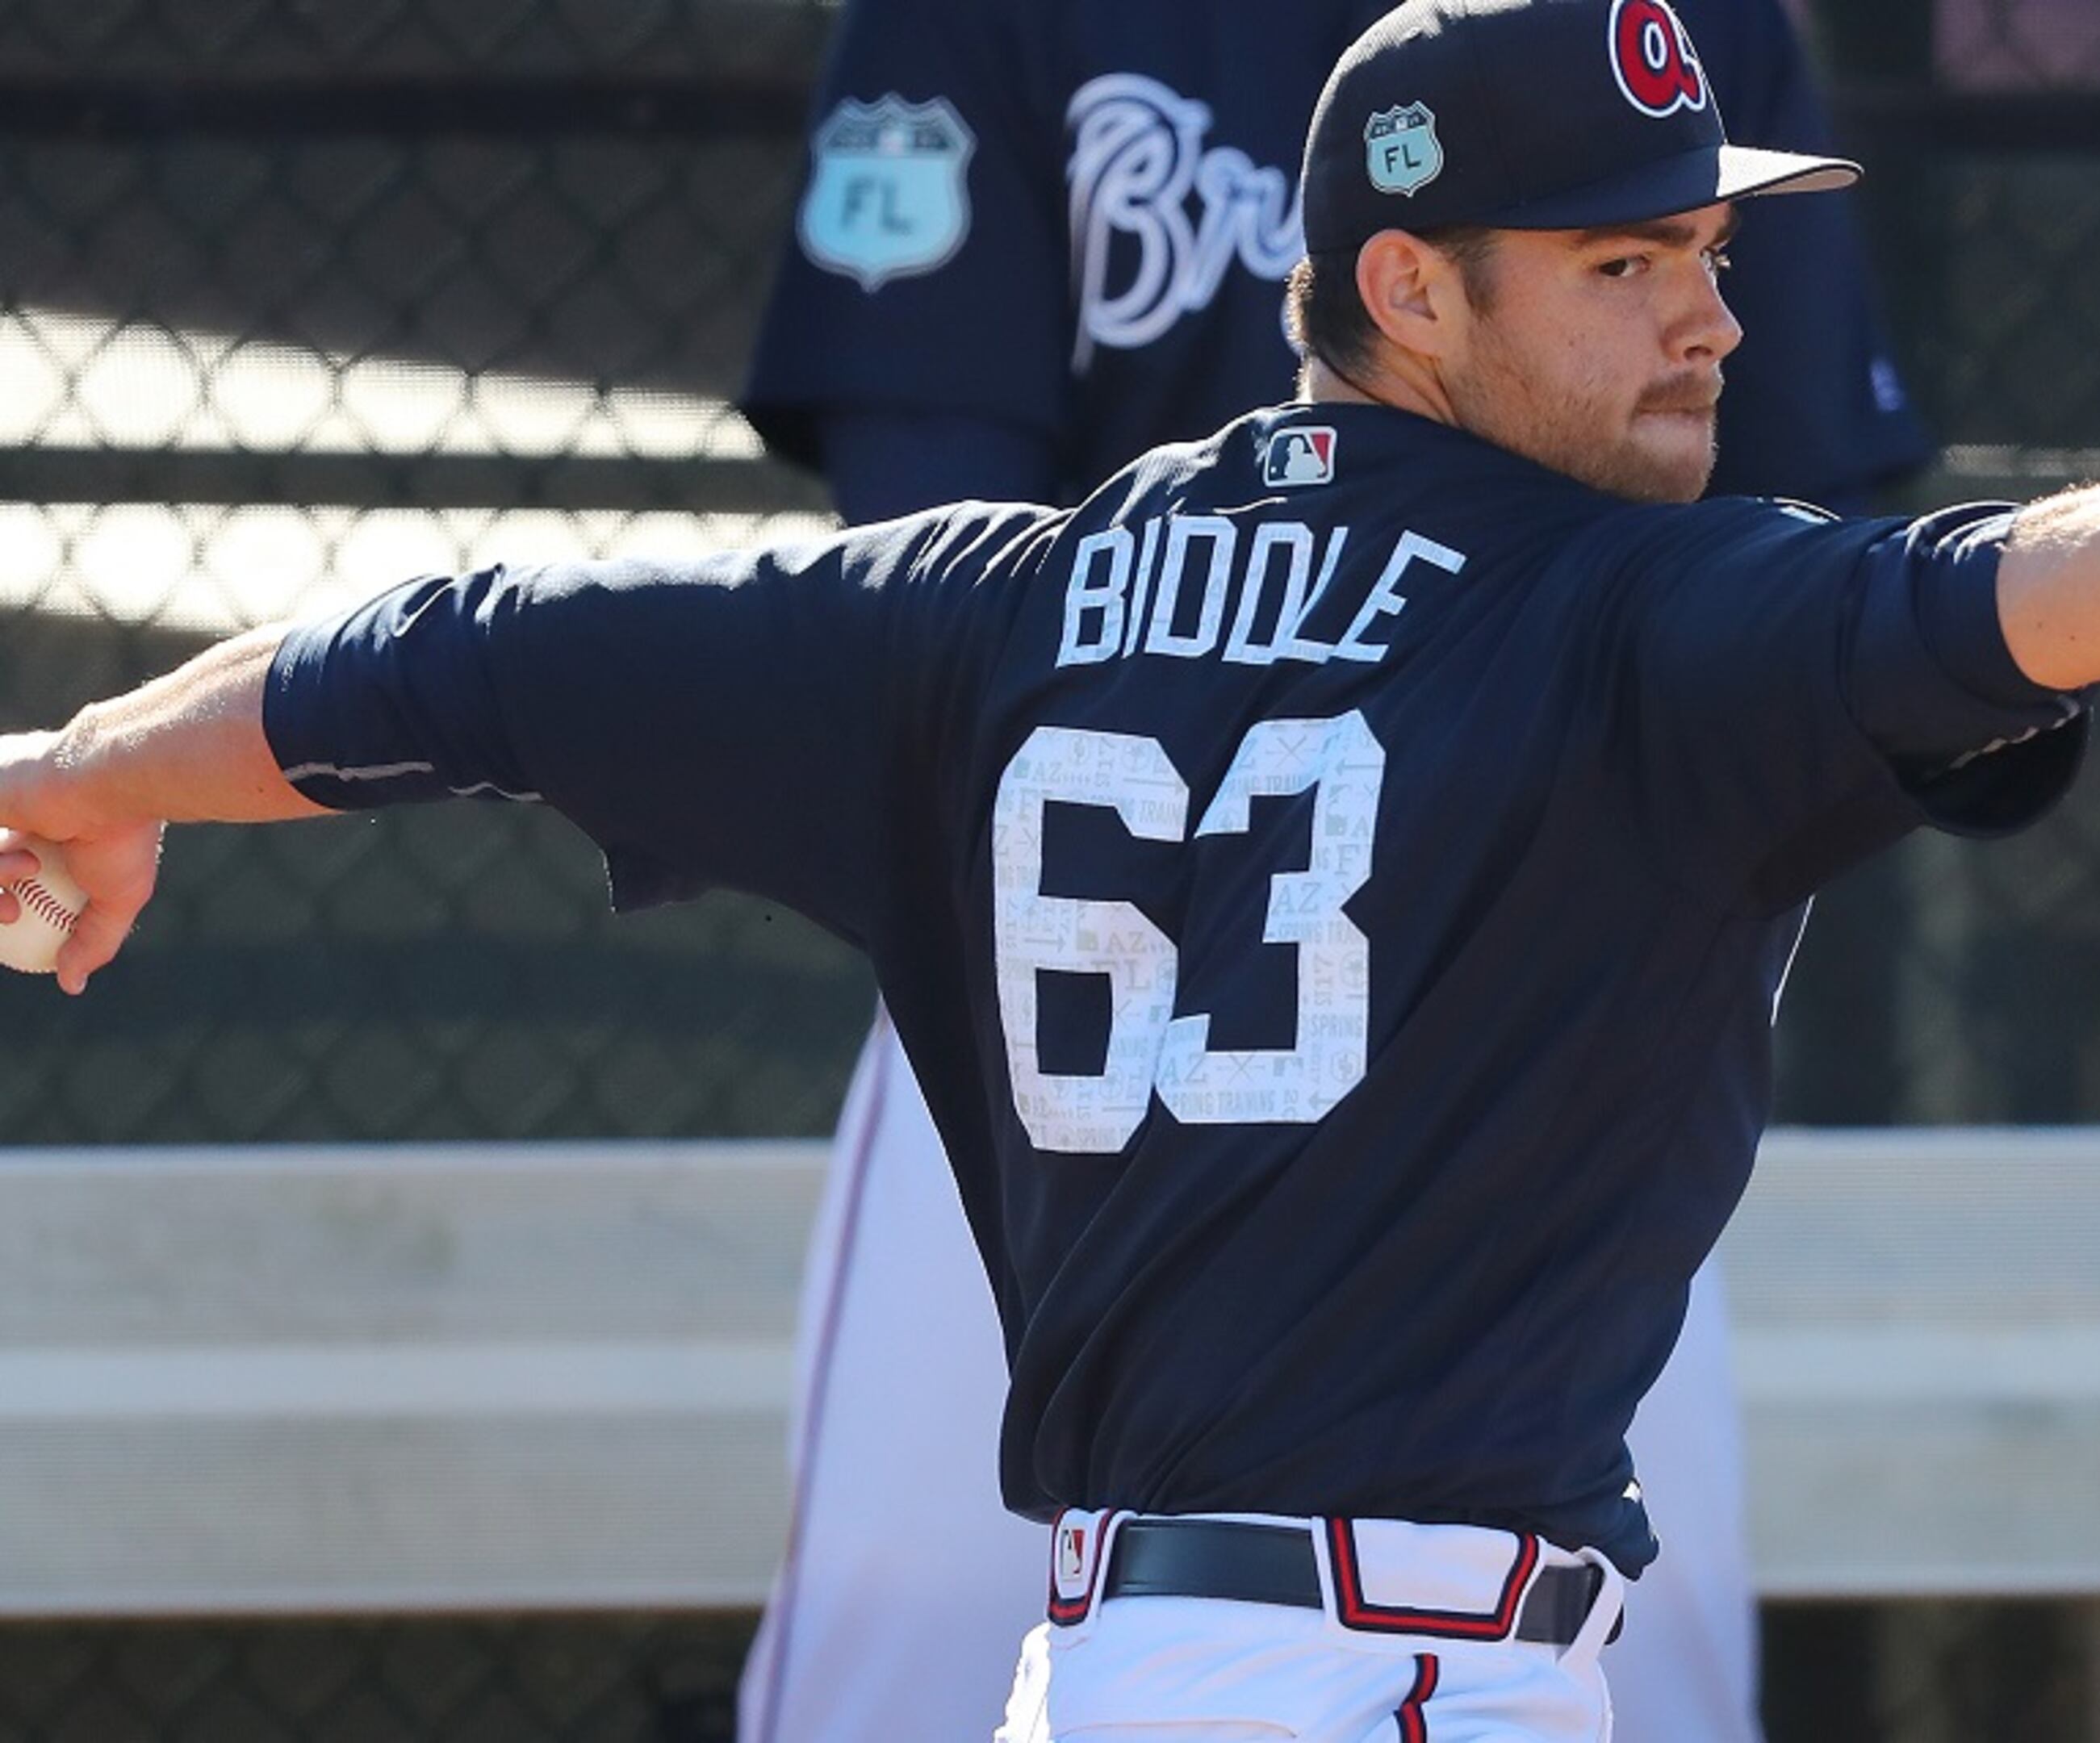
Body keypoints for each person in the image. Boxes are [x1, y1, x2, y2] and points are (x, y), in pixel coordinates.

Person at [0, 1, 2100, 1735]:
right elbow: (2054, 579)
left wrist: (92, 769)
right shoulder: (1645, 621)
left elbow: (462, 659)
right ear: (1404, 290)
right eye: (1620, 263)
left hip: (1119, 1673)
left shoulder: (972, 615)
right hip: (1405, 1683)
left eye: (1703, 250)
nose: (1708, 318)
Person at [731, 0, 1925, 1735]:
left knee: (1629, 1652)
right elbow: (932, 557)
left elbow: (1788, 518)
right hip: (1084, 953)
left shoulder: (1678, 25)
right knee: (895, 1647)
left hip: (1539, 966)